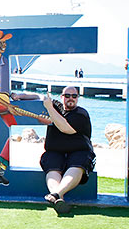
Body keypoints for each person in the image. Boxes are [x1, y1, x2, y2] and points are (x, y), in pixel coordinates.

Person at [0, 30, 44, 184]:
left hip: (3, 100)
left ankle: (0, 164)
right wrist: (6, 104)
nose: (3, 46)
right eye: (0, 43)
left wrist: (13, 96)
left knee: (13, 128)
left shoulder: (5, 61)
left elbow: (2, 85)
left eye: (4, 43)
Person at [40, 87, 95, 215]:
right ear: (62, 97)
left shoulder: (81, 114)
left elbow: (65, 128)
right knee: (52, 165)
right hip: (55, 150)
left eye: (74, 96)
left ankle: (56, 194)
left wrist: (49, 108)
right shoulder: (56, 107)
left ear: (77, 98)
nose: (71, 98)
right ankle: (58, 198)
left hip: (80, 150)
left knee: (77, 164)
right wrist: (17, 96)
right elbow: (37, 97)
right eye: (67, 95)